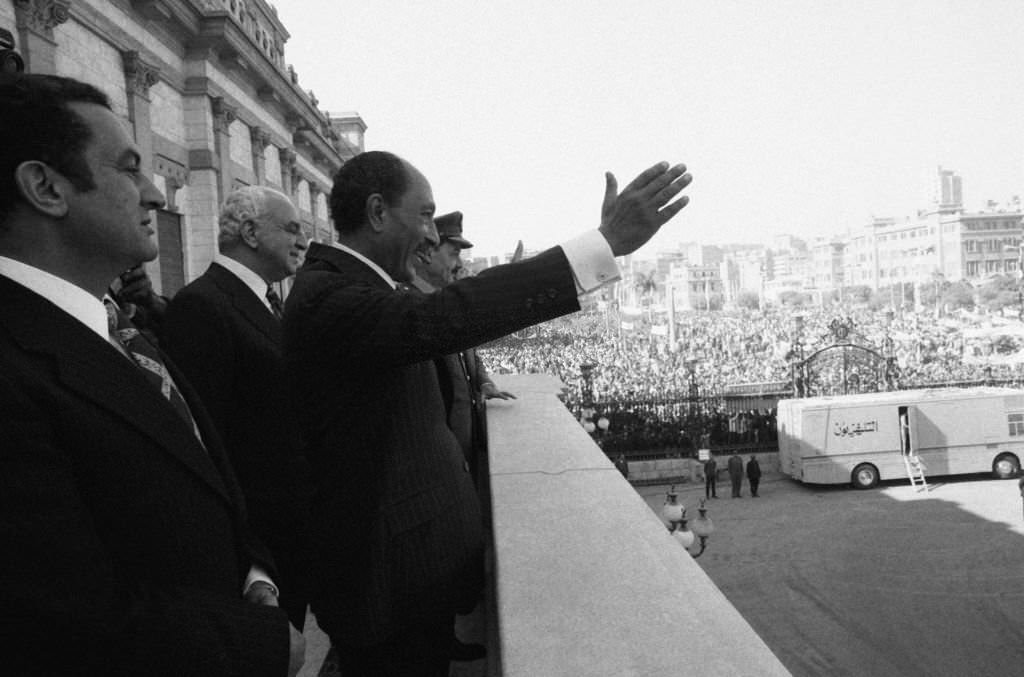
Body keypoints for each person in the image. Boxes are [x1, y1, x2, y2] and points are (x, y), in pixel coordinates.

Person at [283, 150, 691, 676]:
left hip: (403, 579)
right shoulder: (332, 297)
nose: (432, 236)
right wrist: (603, 244)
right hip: (384, 587)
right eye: (425, 215)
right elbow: (454, 313)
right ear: (379, 212)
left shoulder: (349, 289)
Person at [0, 73, 302, 675]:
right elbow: (58, 622)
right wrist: (260, 643)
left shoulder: (119, 329)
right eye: (128, 168)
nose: (156, 194)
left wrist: (258, 574)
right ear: (45, 187)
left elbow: (208, 469)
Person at [160, 185, 314, 630]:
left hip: (288, 535)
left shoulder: (267, 302)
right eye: (292, 229)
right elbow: (203, 442)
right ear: (250, 232)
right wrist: (249, 560)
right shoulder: (201, 305)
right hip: (256, 549)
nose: (303, 242)